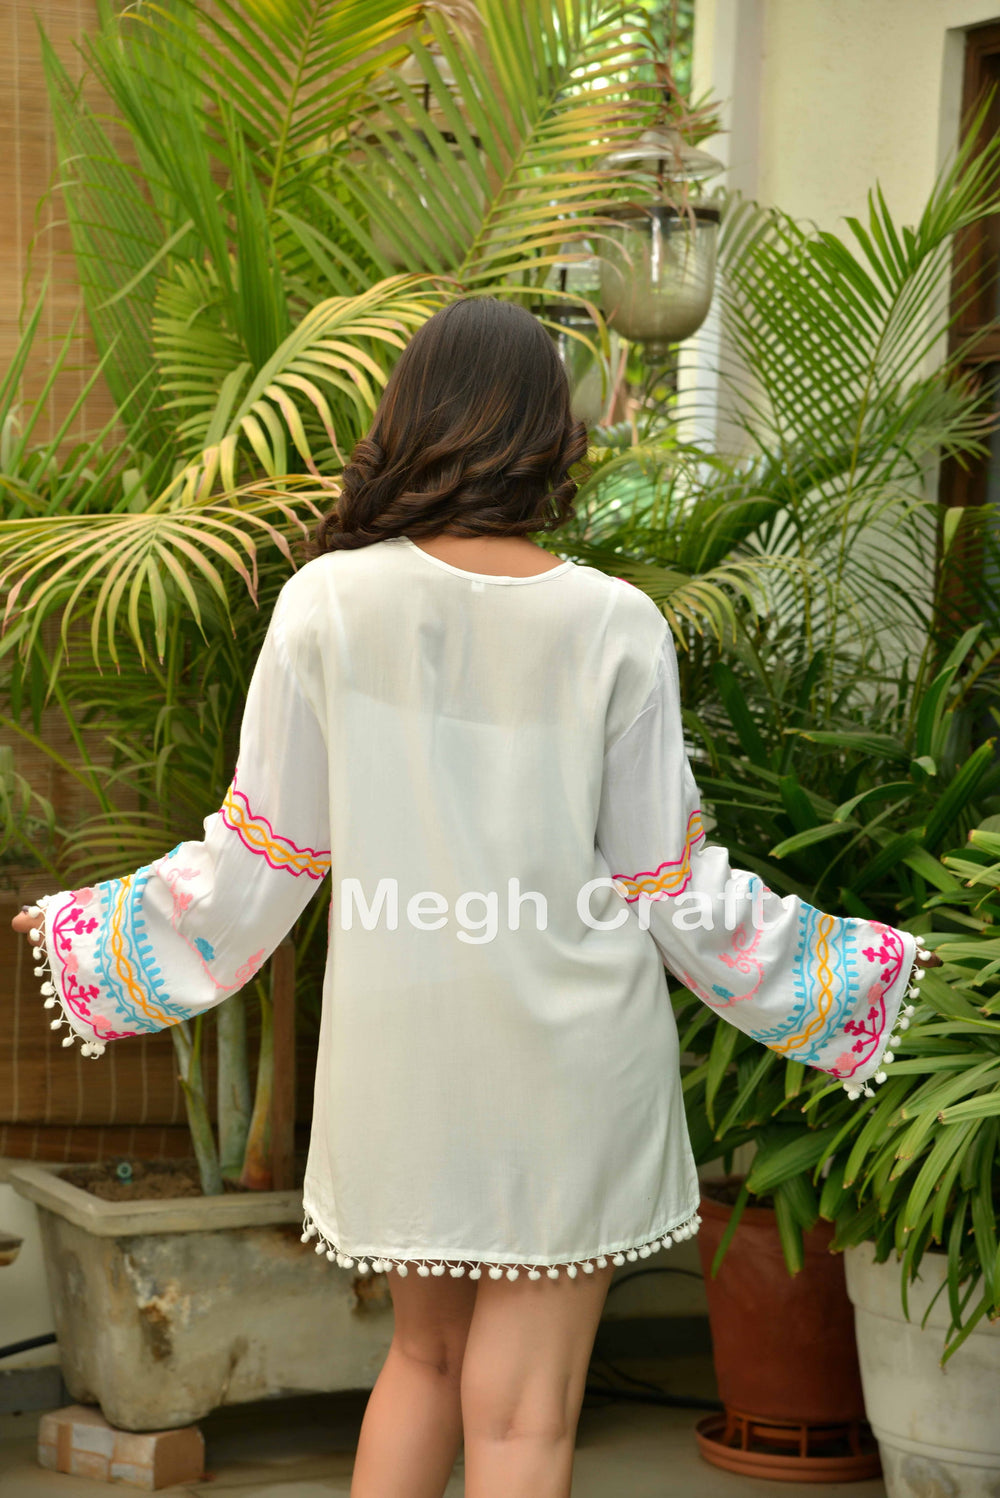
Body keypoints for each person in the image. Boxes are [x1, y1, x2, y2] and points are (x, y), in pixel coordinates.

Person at [11, 296, 936, 1498]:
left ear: (409, 419)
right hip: (570, 1060)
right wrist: (858, 970)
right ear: (551, 435)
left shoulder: (326, 604)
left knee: (422, 1360)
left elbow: (265, 855)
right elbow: (667, 882)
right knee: (524, 1416)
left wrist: (97, 931)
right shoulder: (615, 623)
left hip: (403, 1051)